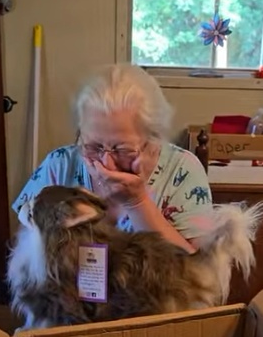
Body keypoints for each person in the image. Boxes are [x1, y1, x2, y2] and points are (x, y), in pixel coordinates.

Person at [12, 63, 215, 253]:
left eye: (122, 149)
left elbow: (197, 269)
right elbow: (26, 253)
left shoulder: (182, 168)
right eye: (94, 147)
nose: (106, 164)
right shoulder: (59, 165)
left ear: (153, 141)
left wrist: (137, 202)